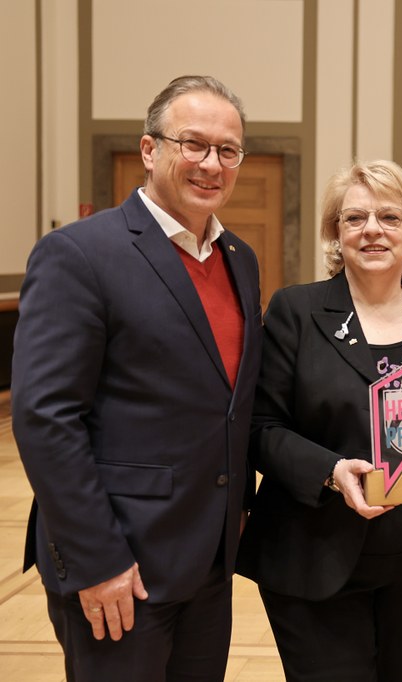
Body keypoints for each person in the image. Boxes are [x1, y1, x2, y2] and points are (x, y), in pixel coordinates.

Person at [12, 75, 262, 681]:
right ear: (150, 150)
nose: (211, 164)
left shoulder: (240, 260)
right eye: (193, 144)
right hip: (120, 563)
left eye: (228, 150)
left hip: (208, 561)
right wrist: (97, 560)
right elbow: (46, 419)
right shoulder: (79, 254)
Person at [235, 159, 402, 682]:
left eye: (389, 217)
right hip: (313, 553)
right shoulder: (296, 311)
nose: (372, 230)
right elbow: (261, 427)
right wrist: (333, 471)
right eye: (354, 218)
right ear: (336, 232)